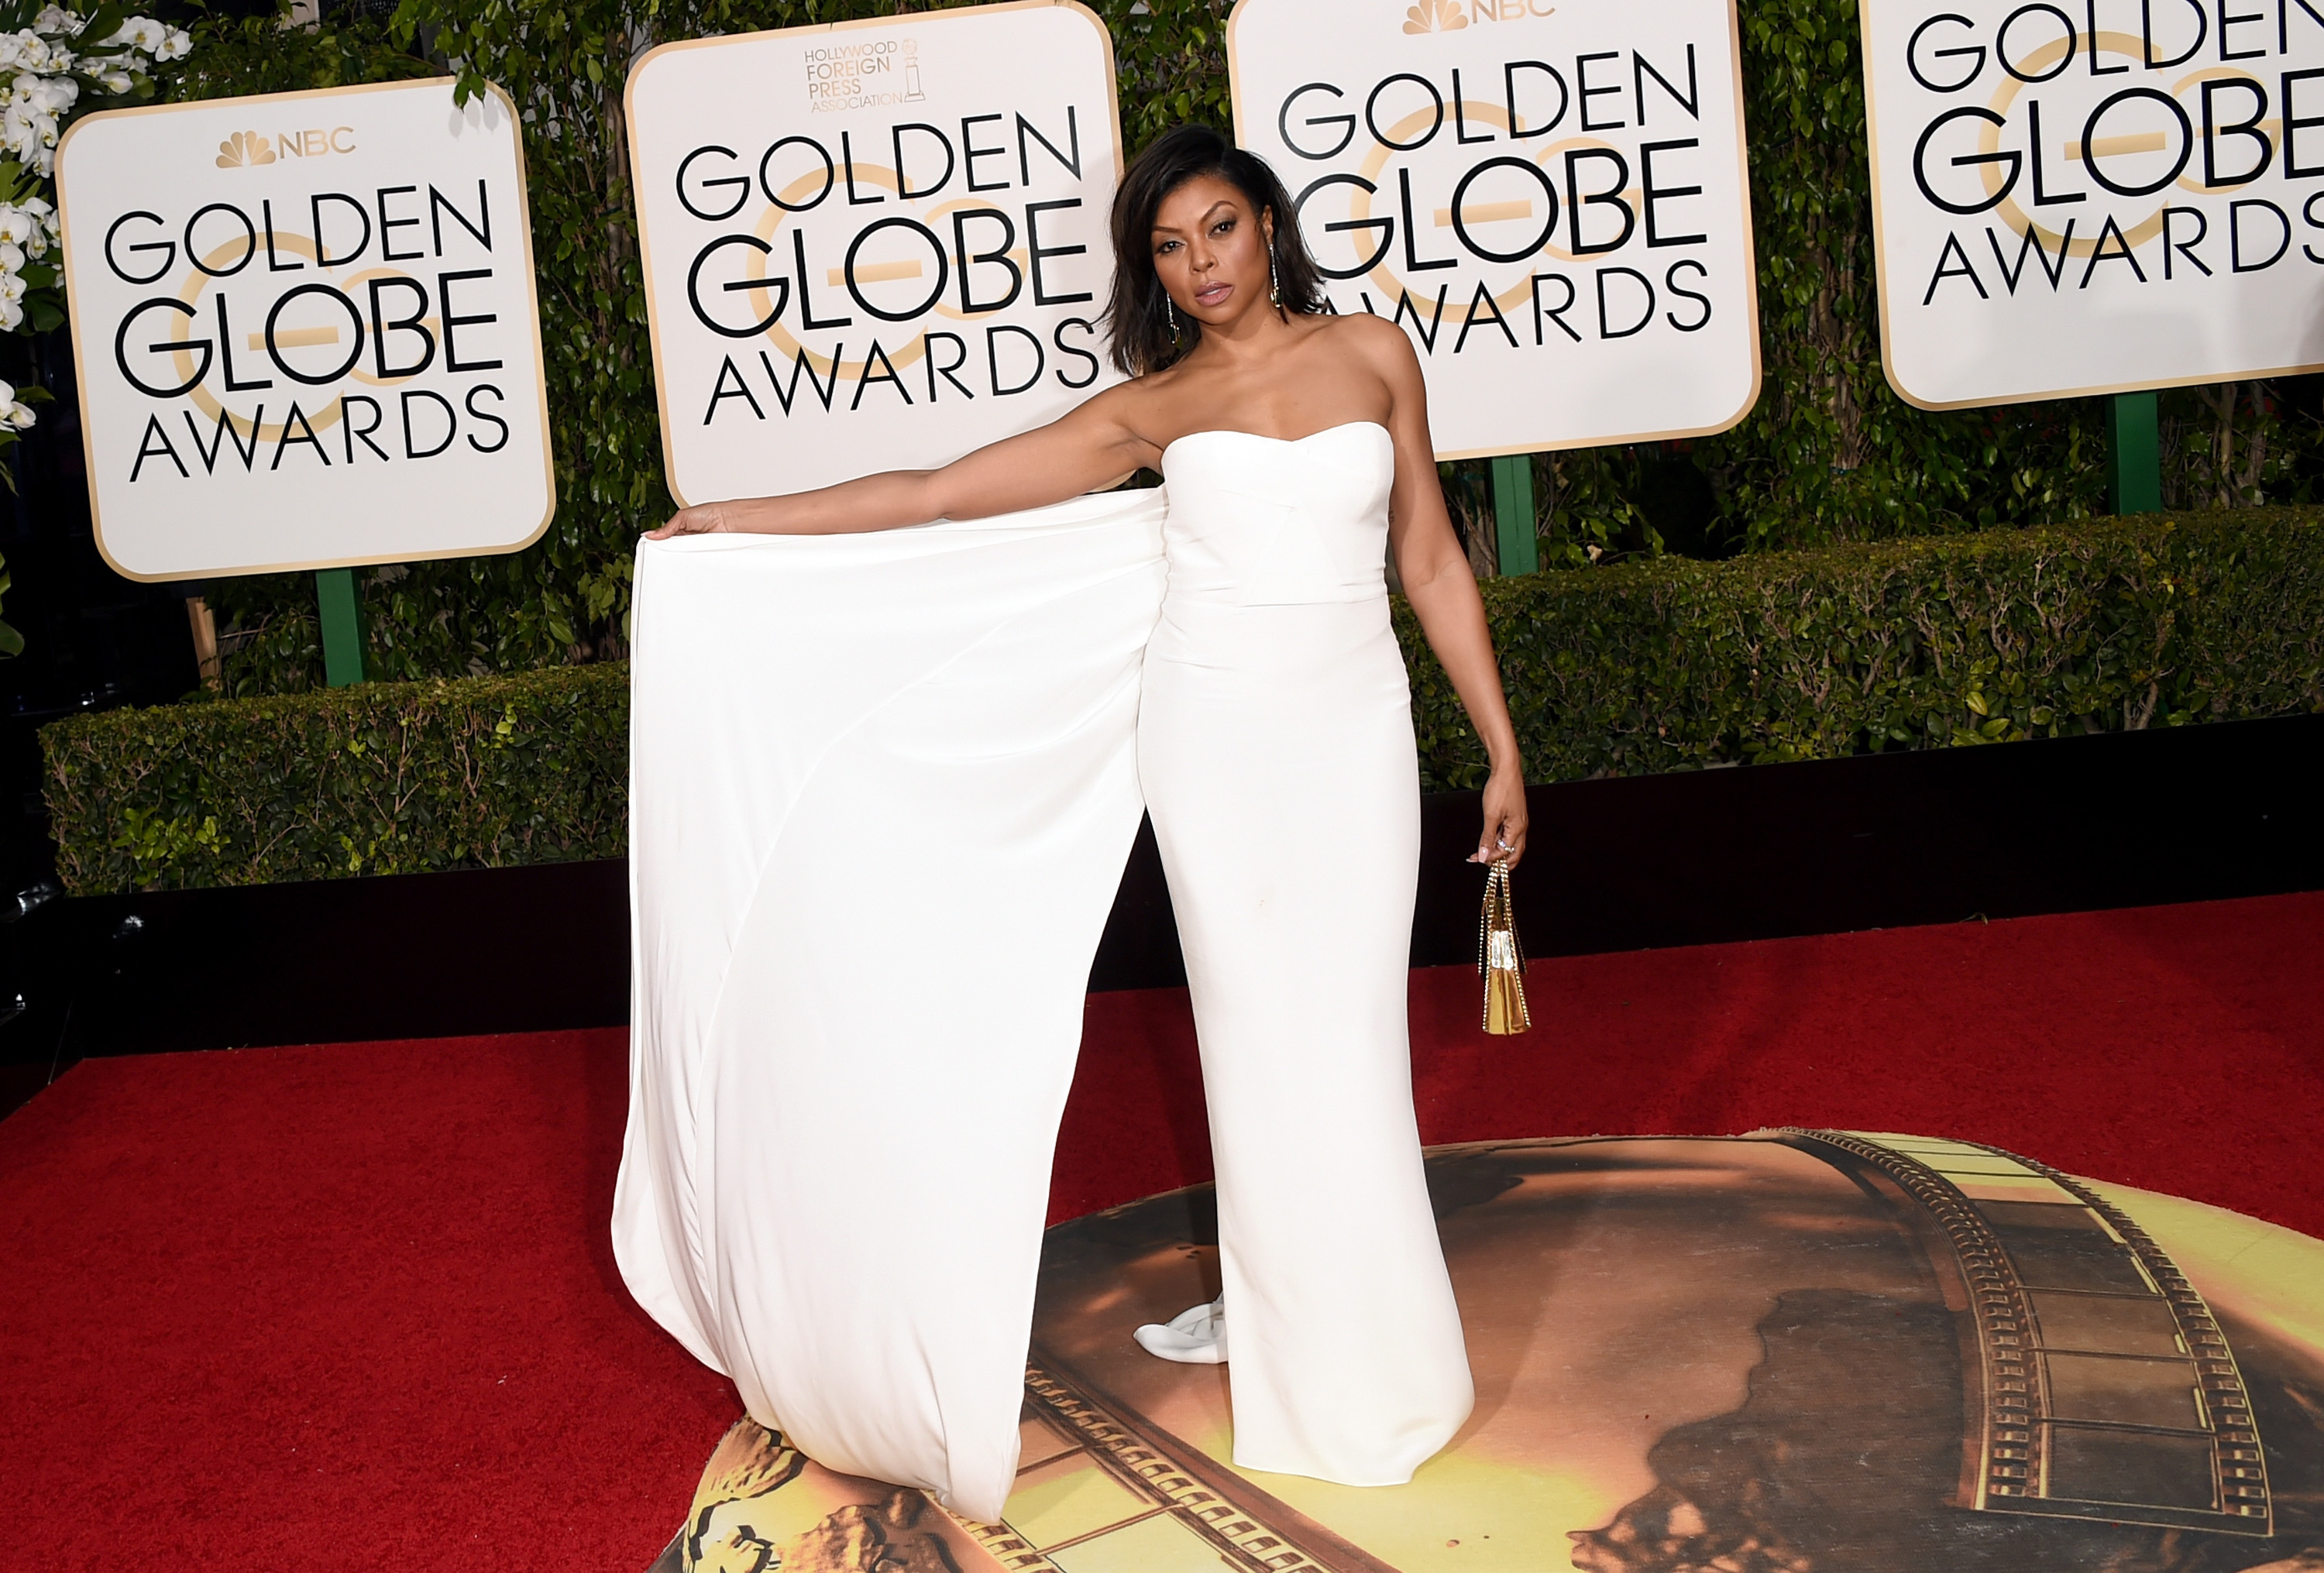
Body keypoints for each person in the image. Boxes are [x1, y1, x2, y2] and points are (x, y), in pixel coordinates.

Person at [642, 124, 1529, 1503]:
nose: (1201, 264)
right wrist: (745, 520)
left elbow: (1426, 550)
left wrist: (1498, 746)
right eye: (1171, 248)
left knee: (1351, 1036)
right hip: (1216, 742)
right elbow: (941, 493)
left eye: (1220, 229)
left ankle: (1366, 1336)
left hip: (1357, 737)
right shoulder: (1153, 411)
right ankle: (1317, 1374)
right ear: (1154, 272)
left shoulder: (1375, 353)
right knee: (1259, 1053)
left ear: (1266, 223)